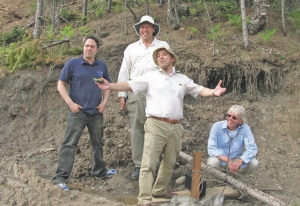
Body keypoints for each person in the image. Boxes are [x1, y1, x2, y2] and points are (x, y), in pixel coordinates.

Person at [96, 46, 226, 206]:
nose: (161, 57)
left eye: (164, 55)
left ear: (172, 58)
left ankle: (160, 190)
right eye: (158, 56)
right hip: (155, 124)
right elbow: (129, 85)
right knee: (148, 163)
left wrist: (213, 91)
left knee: (169, 162)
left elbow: (199, 90)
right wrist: (110, 86)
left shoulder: (182, 79)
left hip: (176, 127)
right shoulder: (150, 77)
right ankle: (144, 199)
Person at [52, 36, 116, 192]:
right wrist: (70, 103)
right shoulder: (72, 64)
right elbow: (61, 84)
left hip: (96, 113)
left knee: (98, 143)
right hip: (77, 113)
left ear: (97, 49)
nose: (88, 48)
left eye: (92, 46)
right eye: (86, 46)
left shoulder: (101, 66)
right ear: (83, 47)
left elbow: (107, 86)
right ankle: (60, 178)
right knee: (69, 144)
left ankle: (100, 172)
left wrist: (105, 103)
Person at [117, 15, 169, 180]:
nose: (144, 30)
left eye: (147, 27)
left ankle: (157, 163)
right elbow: (124, 72)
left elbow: (171, 69)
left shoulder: (163, 46)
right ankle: (139, 164)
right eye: (142, 27)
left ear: (154, 29)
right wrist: (121, 95)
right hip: (137, 93)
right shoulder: (131, 48)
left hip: (158, 93)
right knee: (138, 128)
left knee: (159, 128)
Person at [207, 105, 259, 181]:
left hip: (236, 160)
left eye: (234, 117)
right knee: (212, 162)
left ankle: (237, 180)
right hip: (222, 160)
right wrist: (228, 160)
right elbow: (211, 149)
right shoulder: (217, 126)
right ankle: (219, 180)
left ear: (240, 121)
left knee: (254, 163)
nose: (230, 119)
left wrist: (240, 161)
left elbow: (252, 148)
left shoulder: (245, 129)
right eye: (228, 115)